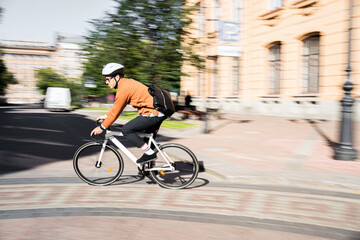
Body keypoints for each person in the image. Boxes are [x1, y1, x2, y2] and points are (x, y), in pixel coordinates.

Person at [90, 63, 166, 164]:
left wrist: (102, 127)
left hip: (153, 113)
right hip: (156, 112)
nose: (106, 82)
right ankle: (150, 168)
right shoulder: (126, 84)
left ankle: (150, 154)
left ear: (116, 77)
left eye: (108, 79)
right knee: (147, 140)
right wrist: (106, 116)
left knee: (127, 130)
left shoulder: (123, 88)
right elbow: (117, 107)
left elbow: (117, 111)